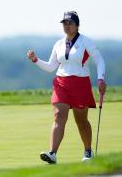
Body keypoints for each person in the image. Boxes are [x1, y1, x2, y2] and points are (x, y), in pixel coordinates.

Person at [26, 11, 106, 164]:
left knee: (81, 120)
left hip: (81, 83)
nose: (67, 26)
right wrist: (35, 60)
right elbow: (51, 67)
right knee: (59, 116)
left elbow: (100, 61)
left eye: (70, 23)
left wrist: (101, 79)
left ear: (77, 25)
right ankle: (52, 153)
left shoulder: (86, 42)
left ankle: (88, 151)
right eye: (65, 23)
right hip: (61, 83)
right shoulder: (59, 44)